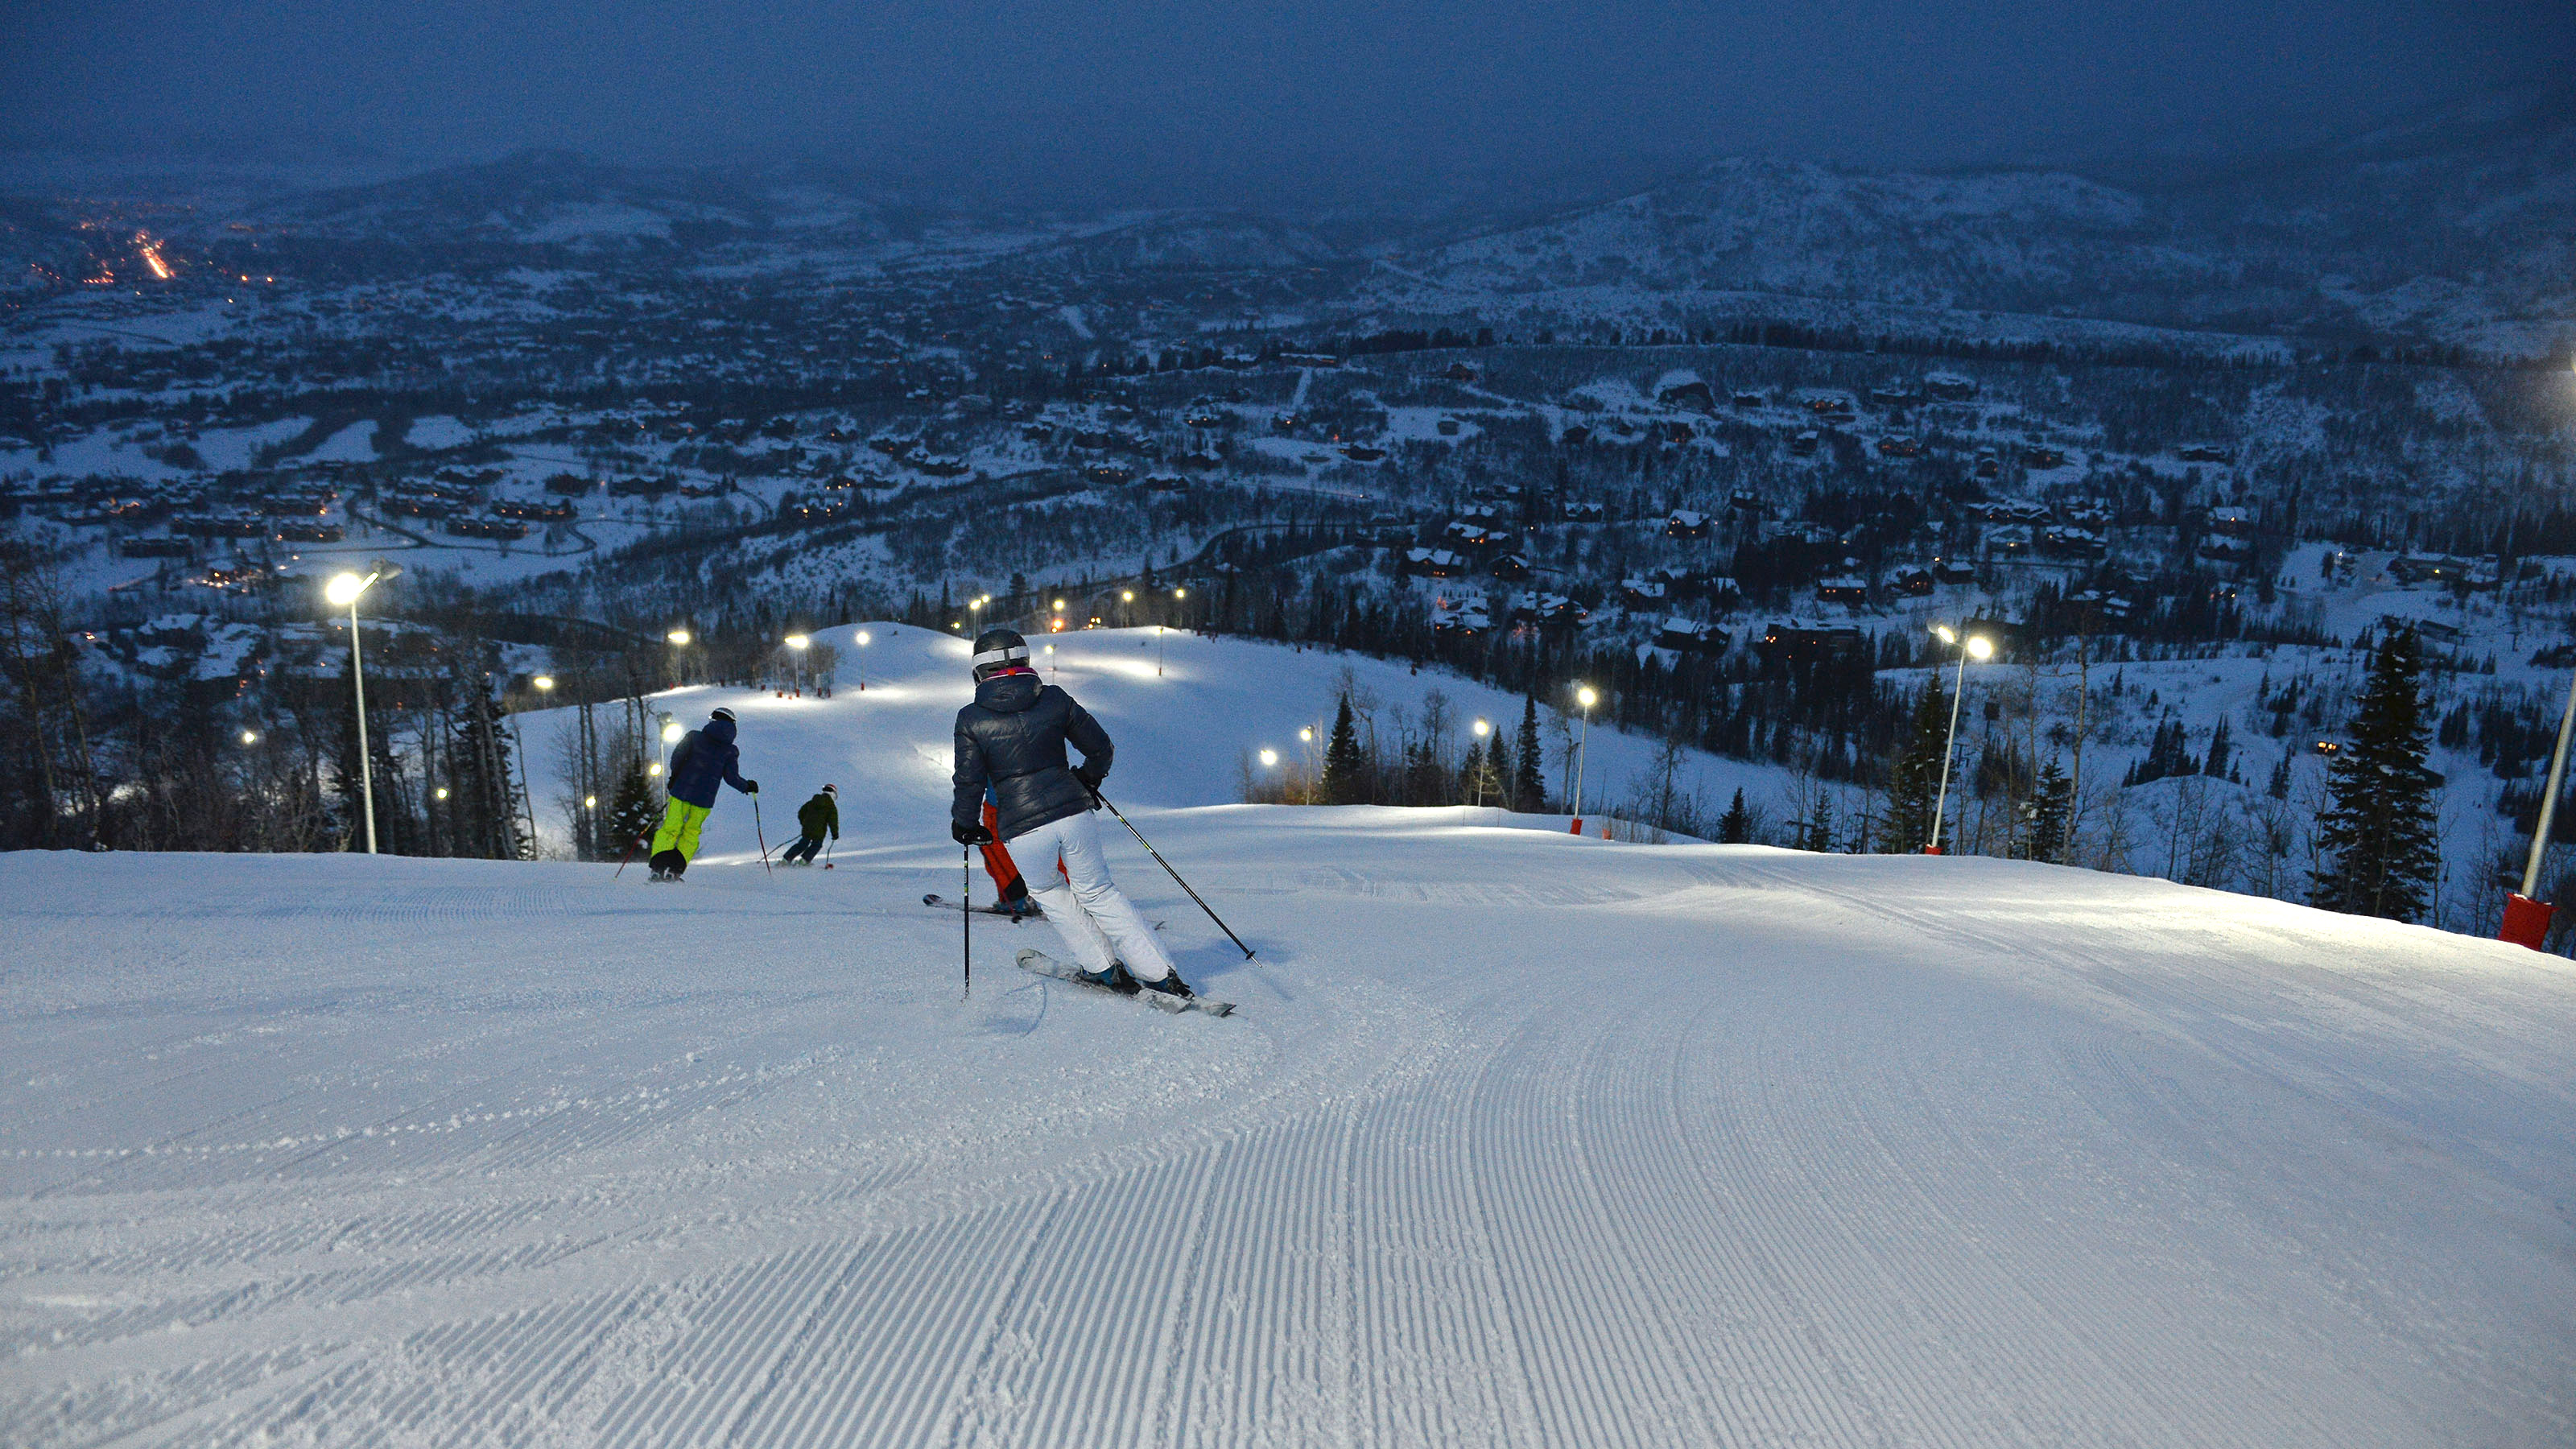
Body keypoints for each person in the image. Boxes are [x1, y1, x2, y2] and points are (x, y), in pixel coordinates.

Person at [950, 628, 1189, 997]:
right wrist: (1087, 780)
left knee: (1048, 890)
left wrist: (966, 825)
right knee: (1099, 891)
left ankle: (1103, 969)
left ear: (978, 673)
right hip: (1074, 813)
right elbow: (1101, 748)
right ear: (1026, 662)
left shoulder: (971, 719)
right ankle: (1160, 973)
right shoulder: (1055, 699)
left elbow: (970, 782)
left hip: (1023, 826)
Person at [649, 706, 758, 881]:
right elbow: (731, 778)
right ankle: (674, 872)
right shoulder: (730, 750)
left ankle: (657, 869)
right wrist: (747, 786)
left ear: (713, 720)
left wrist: (674, 780)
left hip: (681, 792)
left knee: (670, 829)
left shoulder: (693, 737)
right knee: (691, 833)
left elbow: (676, 759)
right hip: (704, 800)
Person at [780, 783, 838, 865]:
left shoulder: (812, 802)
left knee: (802, 844)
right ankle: (804, 861)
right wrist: (835, 834)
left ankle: (786, 860)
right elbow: (833, 822)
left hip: (807, 829)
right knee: (816, 845)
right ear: (833, 794)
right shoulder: (831, 807)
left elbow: (801, 813)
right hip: (819, 831)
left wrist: (804, 824)